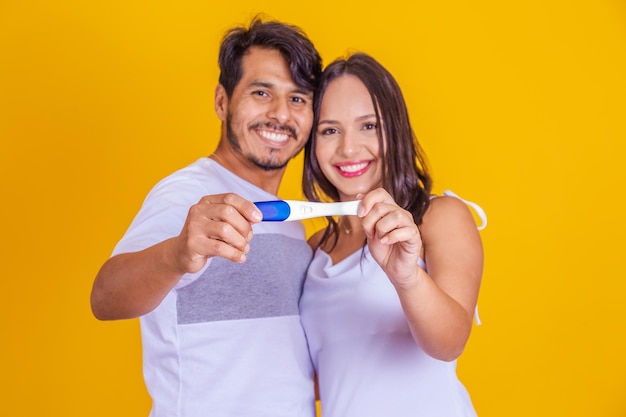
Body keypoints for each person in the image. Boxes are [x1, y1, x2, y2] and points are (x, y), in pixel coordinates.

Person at [90, 16, 322, 417]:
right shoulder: (187, 195)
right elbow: (105, 298)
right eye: (262, 92)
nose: (282, 114)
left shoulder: (293, 221)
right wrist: (177, 253)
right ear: (221, 101)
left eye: (298, 98)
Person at [300, 52, 487, 417]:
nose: (349, 148)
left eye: (368, 126)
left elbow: (449, 343)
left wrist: (405, 276)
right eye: (329, 130)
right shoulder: (312, 250)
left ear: (395, 129)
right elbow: (325, 373)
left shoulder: (439, 218)